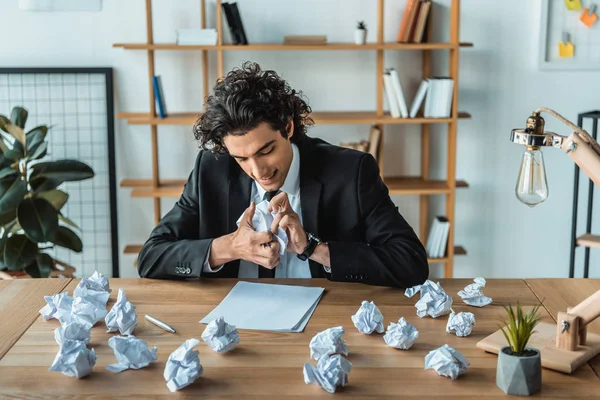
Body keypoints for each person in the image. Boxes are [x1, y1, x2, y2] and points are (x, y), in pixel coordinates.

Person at [137, 61, 429, 288]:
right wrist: (229, 248)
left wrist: (313, 248)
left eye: (266, 151)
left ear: (288, 127)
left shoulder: (351, 172)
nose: (258, 170)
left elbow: (411, 263)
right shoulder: (210, 169)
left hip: (327, 324)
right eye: (241, 158)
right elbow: (150, 257)